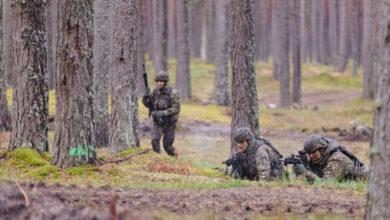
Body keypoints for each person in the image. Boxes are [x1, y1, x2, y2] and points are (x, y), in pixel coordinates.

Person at [293, 133, 368, 183]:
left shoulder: (337, 160)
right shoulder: (322, 157)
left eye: (313, 152)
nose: (310, 156)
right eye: (309, 153)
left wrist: (305, 173)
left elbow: (326, 184)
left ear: (321, 150)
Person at [142, 71, 180, 157]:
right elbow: (149, 105)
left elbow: (176, 108)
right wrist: (144, 97)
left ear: (165, 82)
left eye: (161, 81)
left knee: (167, 146)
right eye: (157, 81)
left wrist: (163, 113)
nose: (159, 83)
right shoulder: (154, 92)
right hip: (158, 122)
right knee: (154, 141)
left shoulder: (173, 92)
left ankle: (175, 155)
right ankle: (158, 160)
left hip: (170, 123)